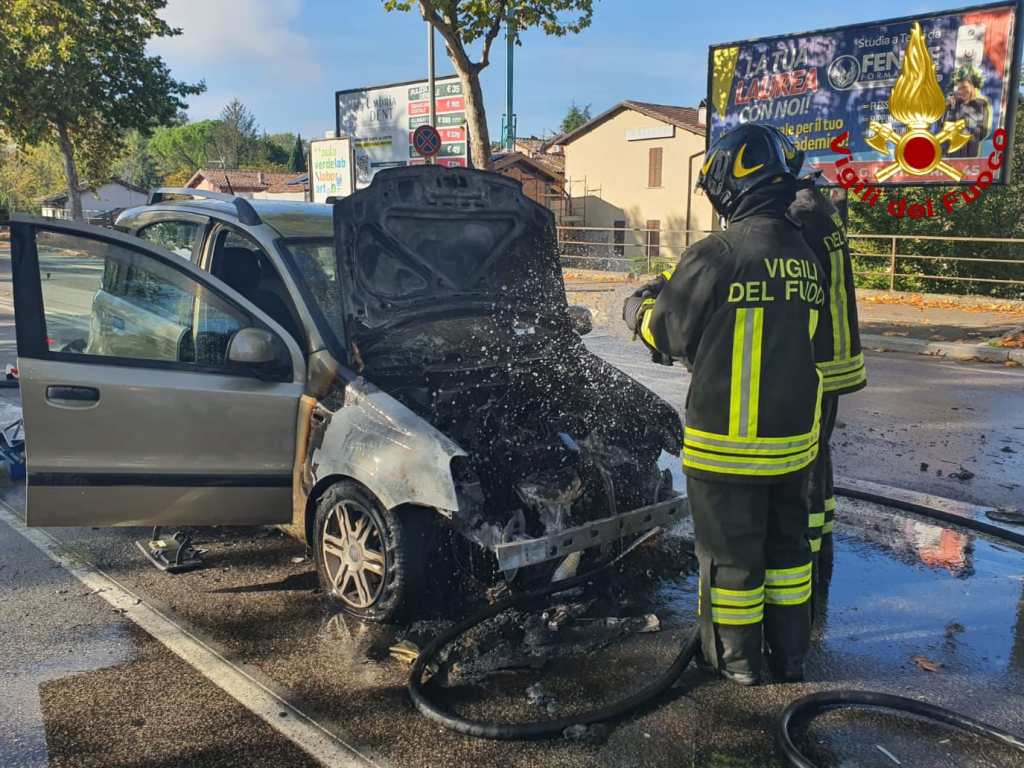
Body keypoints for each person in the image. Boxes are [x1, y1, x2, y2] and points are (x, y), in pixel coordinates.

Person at [622, 123, 824, 685]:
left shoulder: (717, 252)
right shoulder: (804, 254)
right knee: (788, 555)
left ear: (732, 184)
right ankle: (790, 657)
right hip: (793, 447)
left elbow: (666, 335)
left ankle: (736, 665)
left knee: (730, 559)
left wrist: (639, 307)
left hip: (728, 447)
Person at [770, 128, 867, 565]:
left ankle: (804, 548)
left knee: (806, 456)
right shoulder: (823, 211)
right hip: (836, 357)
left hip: (818, 359)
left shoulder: (801, 216)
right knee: (820, 452)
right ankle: (821, 534)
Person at [944, 65, 991, 157]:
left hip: (969, 152)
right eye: (959, 88)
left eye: (964, 87)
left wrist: (965, 132)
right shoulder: (954, 104)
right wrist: (946, 107)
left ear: (973, 86)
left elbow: (982, 131)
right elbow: (944, 126)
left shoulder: (980, 104)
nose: (961, 91)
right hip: (950, 154)